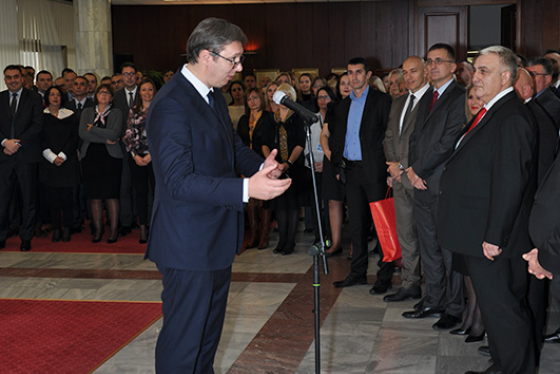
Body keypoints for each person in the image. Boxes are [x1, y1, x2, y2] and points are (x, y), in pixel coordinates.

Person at [145, 17, 289, 373]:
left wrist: (260, 166)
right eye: (234, 59)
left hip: (214, 237)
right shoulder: (171, 103)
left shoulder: (212, 96)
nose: (239, 69)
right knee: (184, 343)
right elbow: (178, 181)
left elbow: (231, 147)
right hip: (187, 242)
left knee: (206, 339)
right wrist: (246, 188)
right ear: (206, 55)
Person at [437, 46, 537, 374]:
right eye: (476, 70)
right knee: (496, 311)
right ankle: (502, 364)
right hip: (479, 230)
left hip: (494, 238)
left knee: (504, 311)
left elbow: (511, 183)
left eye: (484, 71)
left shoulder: (510, 117)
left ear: (506, 77)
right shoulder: (494, 112)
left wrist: (494, 235)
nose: (475, 77)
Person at [402, 43, 465, 331]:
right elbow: (416, 138)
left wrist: (418, 169)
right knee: (428, 247)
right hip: (421, 183)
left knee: (447, 249)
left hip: (442, 182)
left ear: (454, 67)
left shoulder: (458, 97)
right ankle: (434, 300)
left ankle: (454, 307)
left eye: (439, 61)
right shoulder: (428, 96)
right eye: (429, 61)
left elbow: (448, 142)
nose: (433, 65)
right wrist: (413, 172)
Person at [330, 57, 393, 293]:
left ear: (368, 75)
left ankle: (384, 276)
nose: (353, 77)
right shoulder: (343, 105)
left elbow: (389, 135)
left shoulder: (382, 100)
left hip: (375, 172)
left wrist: (389, 169)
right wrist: (338, 168)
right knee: (356, 226)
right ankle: (357, 273)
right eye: (349, 73)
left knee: (381, 226)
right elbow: (338, 139)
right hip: (352, 172)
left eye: (358, 72)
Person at [382, 56, 430, 303]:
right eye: (405, 72)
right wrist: (393, 166)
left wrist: (403, 167)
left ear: (425, 72)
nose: (408, 76)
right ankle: (410, 283)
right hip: (400, 179)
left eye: (413, 71)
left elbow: (428, 144)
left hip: (422, 179)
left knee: (428, 237)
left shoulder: (434, 101)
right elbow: (389, 136)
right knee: (406, 234)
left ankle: (434, 291)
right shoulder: (399, 102)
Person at [447, 85, 486, 343]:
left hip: (477, 211)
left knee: (478, 272)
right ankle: (471, 315)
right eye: (470, 97)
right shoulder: (468, 125)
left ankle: (479, 321)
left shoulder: (487, 124)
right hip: (462, 209)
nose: (474, 101)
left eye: (479, 97)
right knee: (467, 270)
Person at [0, 65, 43, 251]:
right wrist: (4, 142)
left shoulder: (34, 98)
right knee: (2, 199)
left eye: (16, 76)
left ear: (22, 78)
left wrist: (17, 143)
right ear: (4, 79)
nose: (12, 80)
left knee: (28, 199)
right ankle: (1, 236)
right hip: (4, 156)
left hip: (26, 155)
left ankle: (26, 237)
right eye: (8, 77)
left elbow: (37, 125)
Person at [262, 83, 306, 255]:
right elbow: (264, 142)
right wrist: (271, 162)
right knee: (279, 205)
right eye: (281, 94)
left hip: (293, 166)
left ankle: (291, 241)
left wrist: (287, 163)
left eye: (287, 94)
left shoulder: (298, 118)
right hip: (274, 167)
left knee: (292, 205)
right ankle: (281, 239)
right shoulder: (271, 118)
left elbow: (300, 144)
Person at [79, 84, 123, 244]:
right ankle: (98, 230)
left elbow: (115, 133)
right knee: (94, 196)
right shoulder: (87, 112)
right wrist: (104, 138)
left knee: (111, 194)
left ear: (112, 97)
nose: (104, 95)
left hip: (110, 159)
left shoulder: (116, 112)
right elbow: (82, 133)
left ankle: (113, 230)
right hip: (90, 157)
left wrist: (93, 129)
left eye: (107, 93)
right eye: (101, 92)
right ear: (96, 95)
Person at [39, 86, 80, 243]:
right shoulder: (41, 116)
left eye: (58, 95)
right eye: (52, 94)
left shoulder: (70, 115)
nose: (55, 97)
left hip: (67, 161)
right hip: (49, 162)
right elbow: (40, 139)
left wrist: (62, 155)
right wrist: (52, 157)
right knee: (53, 198)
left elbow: (74, 138)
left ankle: (68, 228)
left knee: (67, 197)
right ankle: (57, 228)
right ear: (47, 97)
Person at [237, 87, 274, 249]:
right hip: (246, 163)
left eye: (255, 98)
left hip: (262, 160)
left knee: (263, 200)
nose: (252, 101)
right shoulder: (243, 120)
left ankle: (265, 235)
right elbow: (239, 142)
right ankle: (254, 234)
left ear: (261, 99)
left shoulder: (268, 117)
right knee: (251, 200)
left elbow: (270, 140)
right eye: (249, 99)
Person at [122, 78, 157, 244]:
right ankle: (143, 227)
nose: (147, 93)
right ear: (139, 92)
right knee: (141, 193)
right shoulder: (133, 111)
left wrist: (151, 155)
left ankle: (157, 226)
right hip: (136, 158)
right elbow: (128, 135)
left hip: (156, 158)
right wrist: (136, 155)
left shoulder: (160, 110)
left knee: (157, 193)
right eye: (144, 90)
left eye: (150, 89)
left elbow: (163, 135)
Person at [320, 72, 349, 257]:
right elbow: (324, 134)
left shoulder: (360, 104)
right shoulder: (333, 107)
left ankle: (356, 246)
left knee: (355, 205)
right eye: (342, 83)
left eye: (349, 83)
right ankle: (336, 242)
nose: (346, 86)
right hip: (333, 159)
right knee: (333, 201)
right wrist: (329, 154)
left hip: (353, 160)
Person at [113, 62, 138, 236]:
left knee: (143, 187)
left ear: (136, 76)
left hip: (143, 148)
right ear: (121, 77)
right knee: (124, 186)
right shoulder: (115, 97)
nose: (129, 77)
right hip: (121, 148)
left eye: (131, 73)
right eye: (125, 74)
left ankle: (144, 220)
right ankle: (126, 221)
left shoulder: (146, 93)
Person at [526, 57, 560, 131]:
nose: (528, 78)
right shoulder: (529, 98)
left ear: (547, 79)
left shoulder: (553, 104)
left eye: (533, 74)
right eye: (527, 74)